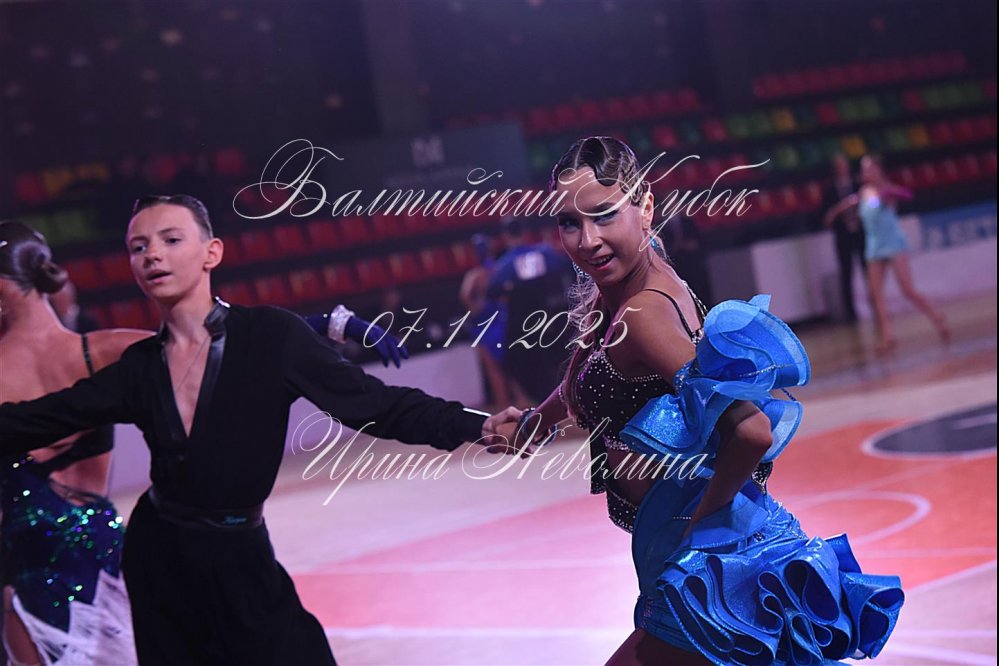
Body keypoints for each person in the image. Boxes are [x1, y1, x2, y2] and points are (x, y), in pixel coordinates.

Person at [0, 196, 516, 665]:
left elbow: (377, 405)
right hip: (160, 559)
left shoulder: (271, 336)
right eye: (139, 247)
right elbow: (35, 420)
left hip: (242, 553)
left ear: (212, 253)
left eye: (170, 239)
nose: (152, 254)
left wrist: (478, 425)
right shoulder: (138, 367)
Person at [497, 137, 904, 665]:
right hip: (703, 563)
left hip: (713, 574)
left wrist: (697, 537)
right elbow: (596, 378)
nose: (588, 239)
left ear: (645, 205)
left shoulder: (643, 313)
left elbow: (750, 431)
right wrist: (537, 420)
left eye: (604, 215)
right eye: (569, 223)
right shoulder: (635, 289)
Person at [825, 155, 949, 352]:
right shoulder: (864, 192)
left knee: (907, 289)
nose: (866, 172)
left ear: (878, 170)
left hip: (893, 244)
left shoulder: (887, 190)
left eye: (869, 168)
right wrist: (835, 212)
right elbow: (852, 202)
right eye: (864, 169)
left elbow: (906, 195)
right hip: (874, 246)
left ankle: (936, 316)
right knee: (875, 294)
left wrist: (885, 193)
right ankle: (888, 336)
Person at [821, 153, 866, 322]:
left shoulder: (858, 185)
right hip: (843, 235)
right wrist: (840, 210)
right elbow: (826, 218)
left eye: (844, 164)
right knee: (847, 272)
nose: (842, 168)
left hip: (860, 233)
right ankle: (851, 312)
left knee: (868, 269)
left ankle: (874, 304)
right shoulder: (830, 190)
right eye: (839, 165)